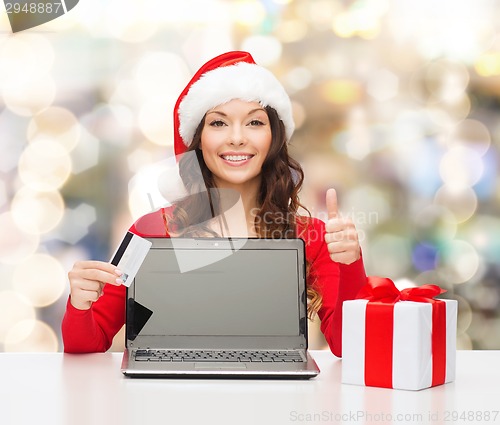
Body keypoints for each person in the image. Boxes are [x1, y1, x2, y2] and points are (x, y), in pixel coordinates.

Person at [62, 51, 367, 356]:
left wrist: (351, 264)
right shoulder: (149, 231)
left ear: (274, 138)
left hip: (272, 396)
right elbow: (87, 342)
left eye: (254, 123)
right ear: (198, 139)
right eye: (219, 124)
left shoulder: (311, 236)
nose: (236, 138)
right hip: (168, 396)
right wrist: (79, 302)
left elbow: (349, 347)